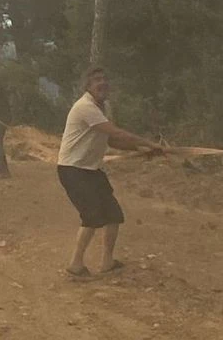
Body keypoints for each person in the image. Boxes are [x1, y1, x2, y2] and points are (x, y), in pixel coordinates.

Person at [57, 66, 163, 278]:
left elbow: (112, 140)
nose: (102, 83)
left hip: (91, 170)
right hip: (73, 170)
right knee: (92, 217)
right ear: (87, 86)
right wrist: (150, 143)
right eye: (97, 80)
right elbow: (116, 132)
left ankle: (107, 262)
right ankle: (75, 266)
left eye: (105, 79)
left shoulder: (103, 107)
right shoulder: (85, 107)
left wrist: (143, 150)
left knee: (114, 214)